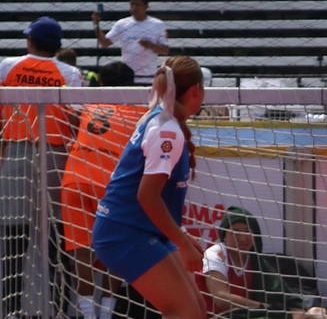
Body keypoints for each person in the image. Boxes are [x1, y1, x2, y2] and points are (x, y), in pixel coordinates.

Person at [91, 55, 208, 319]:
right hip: (123, 231)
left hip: (136, 229)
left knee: (197, 310)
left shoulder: (164, 121)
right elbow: (147, 196)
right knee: (184, 310)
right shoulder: (166, 129)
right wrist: (181, 240)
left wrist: (181, 236)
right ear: (196, 90)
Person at [0, 16, 85, 316]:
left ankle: (10, 310)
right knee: (56, 239)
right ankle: (61, 307)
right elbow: (77, 121)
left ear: (30, 41)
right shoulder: (71, 73)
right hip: (56, 155)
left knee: (13, 238)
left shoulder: (8, 66)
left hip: (17, 152)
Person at [60, 60, 145, 319]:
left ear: (100, 84)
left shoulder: (88, 105)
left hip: (75, 179)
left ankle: (87, 314)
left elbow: (72, 122)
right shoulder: (143, 112)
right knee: (116, 250)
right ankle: (106, 314)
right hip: (112, 185)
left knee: (80, 255)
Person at [196, 206, 306, 319]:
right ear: (224, 235)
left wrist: (300, 310)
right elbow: (221, 298)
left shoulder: (256, 261)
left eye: (247, 231)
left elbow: (282, 293)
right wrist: (263, 307)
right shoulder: (216, 254)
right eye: (235, 232)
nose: (243, 238)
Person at [92, 0, 170, 84]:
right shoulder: (122, 24)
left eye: (137, 4)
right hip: (126, 77)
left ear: (146, 7)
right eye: (132, 4)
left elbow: (165, 50)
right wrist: (96, 25)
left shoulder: (157, 25)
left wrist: (151, 45)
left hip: (149, 77)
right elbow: (105, 43)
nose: (134, 8)